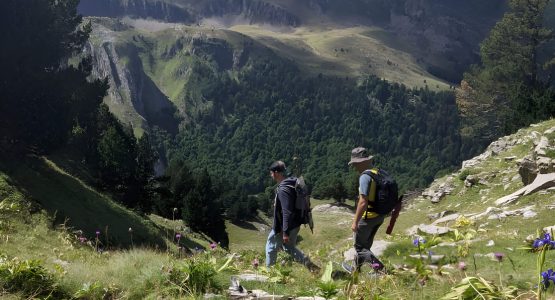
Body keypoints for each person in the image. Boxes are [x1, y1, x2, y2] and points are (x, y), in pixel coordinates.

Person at [266, 160, 318, 272]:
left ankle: (269, 272)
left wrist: (285, 232)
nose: (271, 175)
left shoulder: (284, 189)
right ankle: (312, 267)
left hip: (284, 227)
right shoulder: (292, 182)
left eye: (271, 173)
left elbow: (286, 211)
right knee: (289, 248)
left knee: (270, 247)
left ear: (276, 173)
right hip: (295, 223)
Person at [342, 147, 386, 274]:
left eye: (355, 164)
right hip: (379, 215)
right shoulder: (378, 172)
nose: (355, 167)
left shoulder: (365, 177)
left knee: (360, 248)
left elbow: (363, 201)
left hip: (369, 217)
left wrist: (355, 222)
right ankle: (356, 270)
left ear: (361, 162)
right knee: (364, 246)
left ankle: (381, 270)